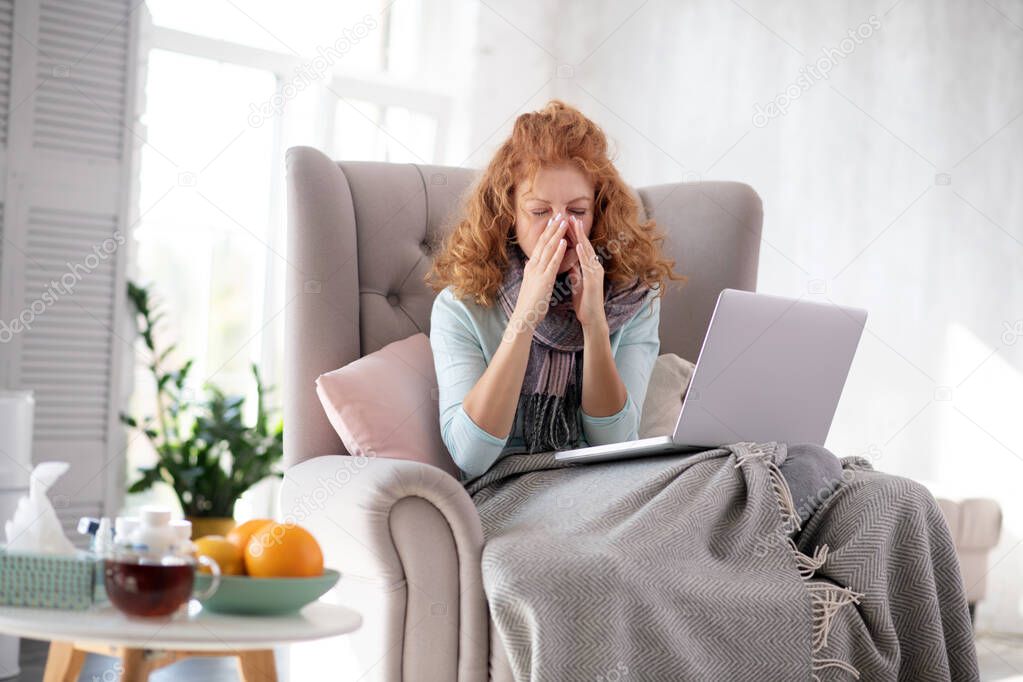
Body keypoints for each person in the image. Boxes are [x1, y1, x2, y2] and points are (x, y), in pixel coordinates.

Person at [425, 99, 842, 521]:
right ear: (507, 214)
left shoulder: (632, 299)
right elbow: (472, 454)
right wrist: (525, 318)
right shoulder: (461, 306)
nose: (560, 228)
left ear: (598, 212)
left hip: (607, 481)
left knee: (809, 466)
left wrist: (594, 325)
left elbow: (615, 440)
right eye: (538, 212)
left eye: (577, 211)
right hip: (511, 489)